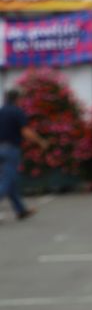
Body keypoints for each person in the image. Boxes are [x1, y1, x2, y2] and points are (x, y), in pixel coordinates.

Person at [0, 88, 48, 222]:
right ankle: (20, 210)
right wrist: (41, 141)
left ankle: (21, 210)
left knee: (11, 181)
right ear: (17, 99)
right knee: (7, 181)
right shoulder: (17, 112)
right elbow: (25, 131)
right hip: (10, 149)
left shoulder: (1, 111)